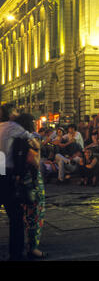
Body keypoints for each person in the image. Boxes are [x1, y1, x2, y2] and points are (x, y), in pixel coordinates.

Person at [0, 105, 32, 260]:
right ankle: (16, 253)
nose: (18, 114)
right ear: (11, 114)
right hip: (6, 175)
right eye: (16, 112)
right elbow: (32, 138)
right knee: (16, 215)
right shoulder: (13, 126)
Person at [13, 113, 47, 260]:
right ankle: (32, 247)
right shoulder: (30, 139)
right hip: (31, 179)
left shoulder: (11, 137)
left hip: (15, 179)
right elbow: (33, 159)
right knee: (35, 212)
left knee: (20, 214)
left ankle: (20, 245)